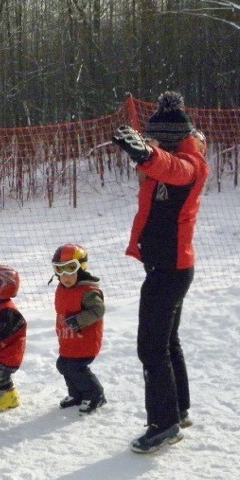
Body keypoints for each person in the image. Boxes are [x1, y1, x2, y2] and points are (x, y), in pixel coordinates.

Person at [112, 90, 210, 454]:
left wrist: (145, 153)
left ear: (166, 140)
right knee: (167, 341)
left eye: (154, 138)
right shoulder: (171, 161)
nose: (149, 141)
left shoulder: (189, 164)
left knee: (151, 348)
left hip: (170, 270)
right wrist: (147, 155)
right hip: (168, 266)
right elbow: (161, 168)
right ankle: (178, 410)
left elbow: (172, 168)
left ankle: (163, 424)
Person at [51, 244, 106, 415]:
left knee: (76, 368)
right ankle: (76, 394)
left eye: (70, 270)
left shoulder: (88, 291)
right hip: (68, 340)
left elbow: (98, 310)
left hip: (84, 341)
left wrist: (78, 321)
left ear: (81, 268)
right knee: (63, 365)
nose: (65, 277)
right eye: (60, 271)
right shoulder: (63, 288)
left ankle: (96, 395)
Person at [0, 265, 27, 413]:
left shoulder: (7, 310)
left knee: (0, 374)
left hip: (9, 354)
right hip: (1, 352)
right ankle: (8, 394)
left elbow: (2, 332)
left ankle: (8, 394)